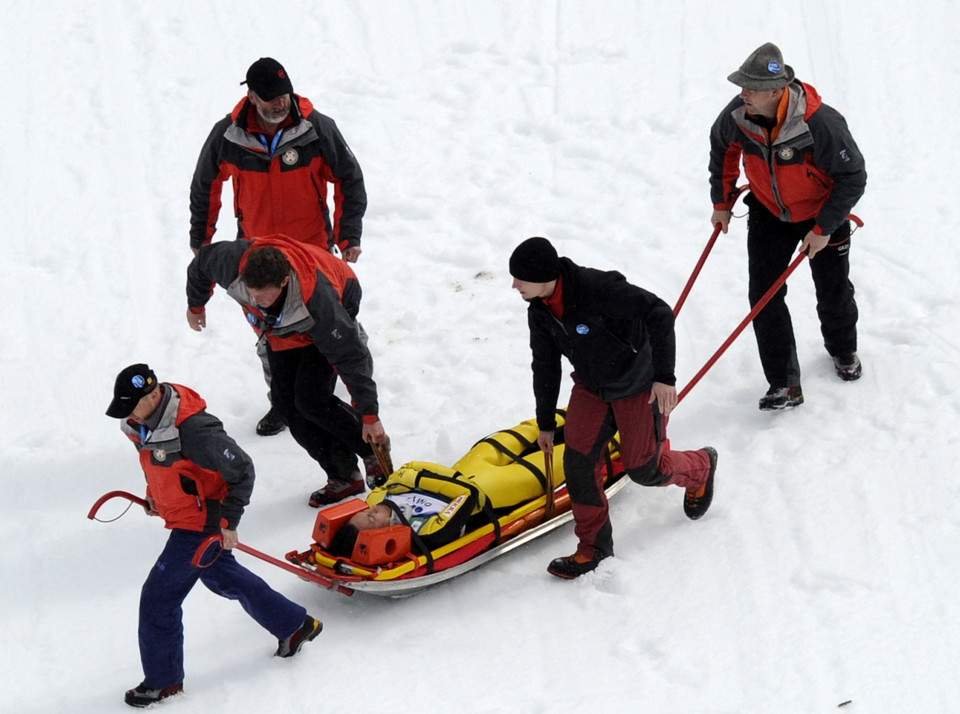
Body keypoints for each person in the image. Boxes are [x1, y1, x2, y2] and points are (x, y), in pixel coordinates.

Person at [105, 364, 321, 708]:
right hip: (186, 516)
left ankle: (163, 682)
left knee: (158, 599)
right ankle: (294, 624)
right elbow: (157, 463)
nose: (129, 416)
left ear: (155, 394)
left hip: (202, 523)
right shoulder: (139, 422)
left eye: (133, 406)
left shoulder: (195, 430)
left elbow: (243, 470)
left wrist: (228, 522)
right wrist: (154, 496)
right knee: (221, 576)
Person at [509, 237, 718, 579]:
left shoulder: (597, 288)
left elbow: (659, 313)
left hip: (637, 385)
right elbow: (544, 364)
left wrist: (664, 377)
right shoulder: (540, 311)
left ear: (544, 276)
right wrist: (545, 422)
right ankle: (593, 549)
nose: (514, 285)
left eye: (520, 278)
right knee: (578, 466)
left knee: (645, 469)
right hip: (592, 387)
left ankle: (700, 467)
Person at [190, 57, 368, 436]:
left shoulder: (317, 129)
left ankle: (352, 375)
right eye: (270, 98)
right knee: (270, 332)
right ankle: (282, 401)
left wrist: (348, 234)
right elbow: (205, 185)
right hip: (258, 260)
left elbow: (349, 178)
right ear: (251, 96)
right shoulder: (228, 137)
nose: (279, 103)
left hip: (312, 252)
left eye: (284, 95)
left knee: (329, 321)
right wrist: (200, 240)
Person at [709, 42, 867, 410]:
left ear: (777, 91)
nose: (743, 94)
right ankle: (783, 383)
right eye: (742, 86)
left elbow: (853, 177)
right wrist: (722, 202)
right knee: (763, 297)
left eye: (751, 87)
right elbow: (722, 148)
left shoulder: (820, 124)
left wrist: (824, 227)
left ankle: (843, 349)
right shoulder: (737, 115)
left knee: (832, 289)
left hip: (821, 213)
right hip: (768, 211)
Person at [185, 233, 391, 506]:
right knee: (286, 405)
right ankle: (344, 475)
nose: (255, 299)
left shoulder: (319, 301)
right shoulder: (230, 262)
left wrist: (370, 414)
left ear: (283, 281)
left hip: (333, 303)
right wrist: (196, 305)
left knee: (311, 398)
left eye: (262, 294)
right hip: (278, 325)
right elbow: (200, 265)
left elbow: (350, 356)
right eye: (251, 292)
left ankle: (371, 449)